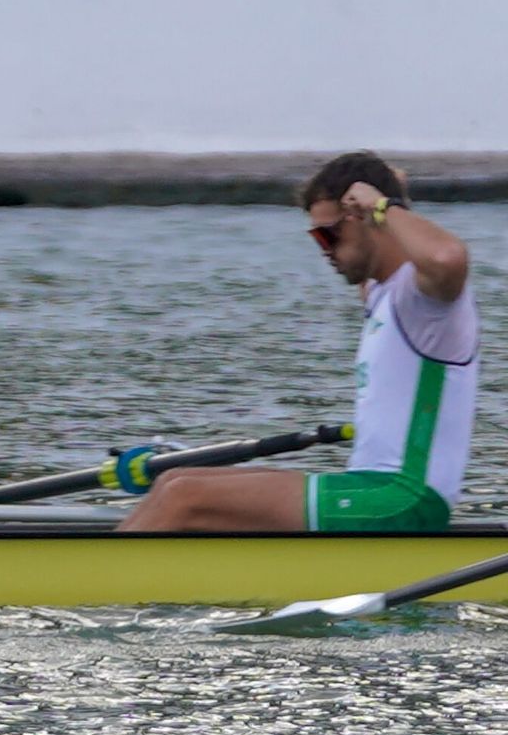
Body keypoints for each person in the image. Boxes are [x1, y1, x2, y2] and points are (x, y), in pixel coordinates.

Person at [120, 151, 477, 532]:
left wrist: (383, 204)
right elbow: (383, 247)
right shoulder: (381, 293)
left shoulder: (425, 302)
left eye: (328, 234)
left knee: (183, 498)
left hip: (404, 498)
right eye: (316, 236)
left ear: (368, 218)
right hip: (370, 487)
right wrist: (391, 197)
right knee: (174, 481)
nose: (324, 250)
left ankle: (108, 573)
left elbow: (447, 256)